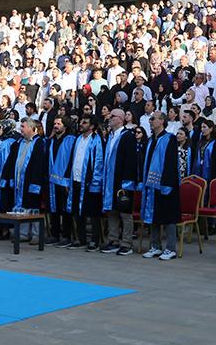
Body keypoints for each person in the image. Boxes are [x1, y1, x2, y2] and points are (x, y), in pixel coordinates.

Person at [141, 111, 181, 261]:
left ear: (162, 121)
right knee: (154, 216)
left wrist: (167, 184)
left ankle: (170, 248)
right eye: (150, 119)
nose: (150, 121)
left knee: (169, 217)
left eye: (153, 119)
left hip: (166, 184)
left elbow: (171, 163)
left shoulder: (169, 138)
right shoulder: (151, 140)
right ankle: (155, 246)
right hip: (152, 184)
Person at [2, 119, 48, 242]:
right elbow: (11, 162)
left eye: (23, 126)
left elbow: (40, 165)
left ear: (31, 128)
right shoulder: (18, 143)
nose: (20, 129)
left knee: (33, 207)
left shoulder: (39, 143)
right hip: (19, 181)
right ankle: (22, 234)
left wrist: (36, 183)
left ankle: (36, 235)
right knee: (20, 207)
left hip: (32, 181)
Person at [100, 108, 138, 256]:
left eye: (113, 116)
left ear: (121, 119)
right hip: (111, 179)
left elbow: (131, 161)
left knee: (125, 212)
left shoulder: (128, 136)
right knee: (112, 211)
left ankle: (126, 243)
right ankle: (113, 240)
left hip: (123, 180)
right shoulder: (111, 135)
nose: (110, 118)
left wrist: (127, 183)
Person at [72, 115, 105, 251]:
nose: (81, 124)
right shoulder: (78, 139)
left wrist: (95, 181)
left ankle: (94, 241)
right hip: (77, 180)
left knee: (93, 213)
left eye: (84, 122)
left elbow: (98, 162)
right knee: (78, 212)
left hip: (90, 182)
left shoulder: (97, 140)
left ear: (92, 126)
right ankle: (81, 238)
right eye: (81, 121)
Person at [48, 116, 76, 247]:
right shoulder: (51, 140)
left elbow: (71, 161)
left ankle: (66, 236)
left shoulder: (71, 140)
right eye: (54, 123)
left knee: (65, 209)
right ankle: (54, 234)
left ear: (65, 126)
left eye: (58, 123)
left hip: (64, 181)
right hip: (51, 180)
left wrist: (67, 180)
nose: (56, 125)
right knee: (53, 208)